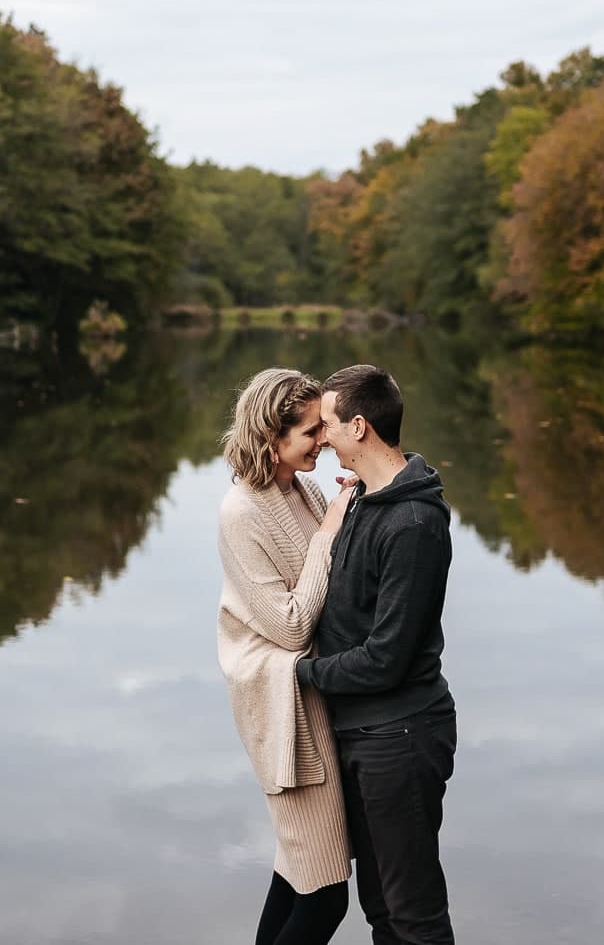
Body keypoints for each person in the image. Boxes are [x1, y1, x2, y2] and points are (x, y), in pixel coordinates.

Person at [299, 364, 456, 945]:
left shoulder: (413, 522)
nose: (321, 438)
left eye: (327, 426)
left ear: (359, 426)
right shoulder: (365, 498)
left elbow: (386, 658)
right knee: (380, 910)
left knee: (413, 915)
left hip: (402, 736)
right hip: (363, 734)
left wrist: (298, 672)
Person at [216, 368, 358, 945]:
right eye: (309, 433)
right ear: (271, 437)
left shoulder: (304, 489)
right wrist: (332, 527)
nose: (322, 440)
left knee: (299, 873)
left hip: (313, 692)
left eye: (322, 428)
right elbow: (293, 625)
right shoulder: (241, 513)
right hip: (280, 701)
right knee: (325, 895)